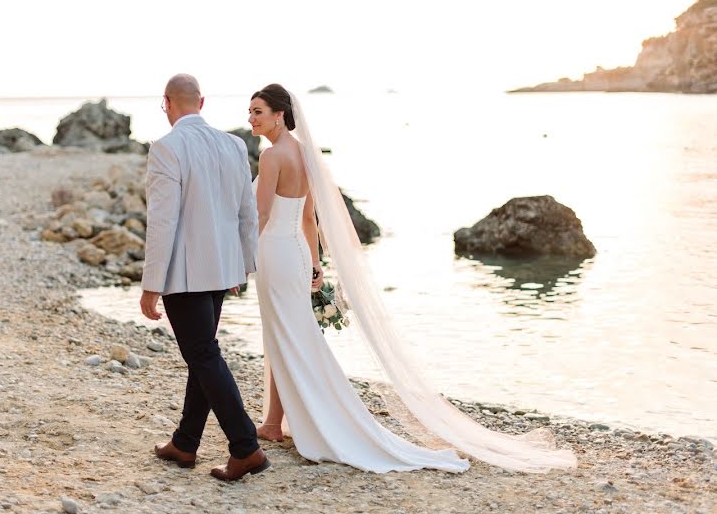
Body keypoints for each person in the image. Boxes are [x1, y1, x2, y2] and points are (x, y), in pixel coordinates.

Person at [248, 83, 577, 474]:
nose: (251, 118)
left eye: (257, 111)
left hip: (276, 252)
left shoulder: (272, 158)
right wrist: (316, 261)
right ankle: (272, 422)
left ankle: (292, 421)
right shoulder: (306, 155)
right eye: (250, 112)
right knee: (292, 335)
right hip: (297, 255)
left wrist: (242, 258)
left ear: (280, 115)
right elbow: (307, 217)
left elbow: (263, 216)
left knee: (285, 335)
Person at [140, 73, 268, 481]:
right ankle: (185, 443)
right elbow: (248, 212)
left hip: (184, 272)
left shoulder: (167, 147)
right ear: (202, 101)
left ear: (167, 103)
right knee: (203, 352)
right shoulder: (233, 145)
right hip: (221, 268)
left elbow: (162, 222)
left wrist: (150, 286)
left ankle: (246, 448)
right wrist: (243, 266)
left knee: (203, 355)